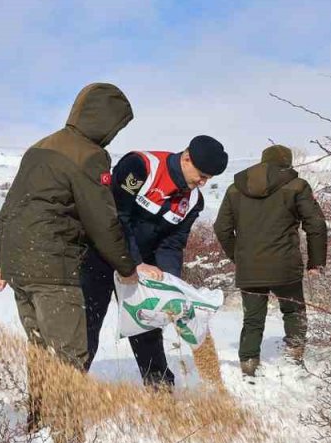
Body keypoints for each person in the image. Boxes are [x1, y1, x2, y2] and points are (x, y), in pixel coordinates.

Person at [0, 83, 141, 426]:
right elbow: (102, 220)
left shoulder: (41, 146)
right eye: (118, 126)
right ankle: (66, 438)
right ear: (107, 120)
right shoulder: (89, 154)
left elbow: (11, 206)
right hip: (53, 264)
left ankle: (37, 420)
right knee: (69, 355)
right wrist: (126, 265)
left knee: (40, 348)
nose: (115, 134)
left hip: (21, 262)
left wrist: (3, 260)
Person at [81, 135, 229, 387]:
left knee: (147, 327)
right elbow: (116, 217)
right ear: (186, 158)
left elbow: (171, 243)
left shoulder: (194, 201)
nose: (202, 182)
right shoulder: (140, 167)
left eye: (209, 179)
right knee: (88, 324)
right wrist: (133, 262)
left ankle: (160, 388)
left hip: (144, 268)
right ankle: (67, 384)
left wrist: (169, 284)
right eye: (201, 174)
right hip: (103, 255)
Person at [214, 143, 327, 377]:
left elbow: (222, 228)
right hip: (285, 264)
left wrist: (238, 256)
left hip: (250, 267)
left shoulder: (235, 188)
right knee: (293, 311)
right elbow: (315, 224)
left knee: (253, 317)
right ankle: (294, 354)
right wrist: (316, 262)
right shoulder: (296, 185)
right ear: (287, 162)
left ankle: (248, 363)